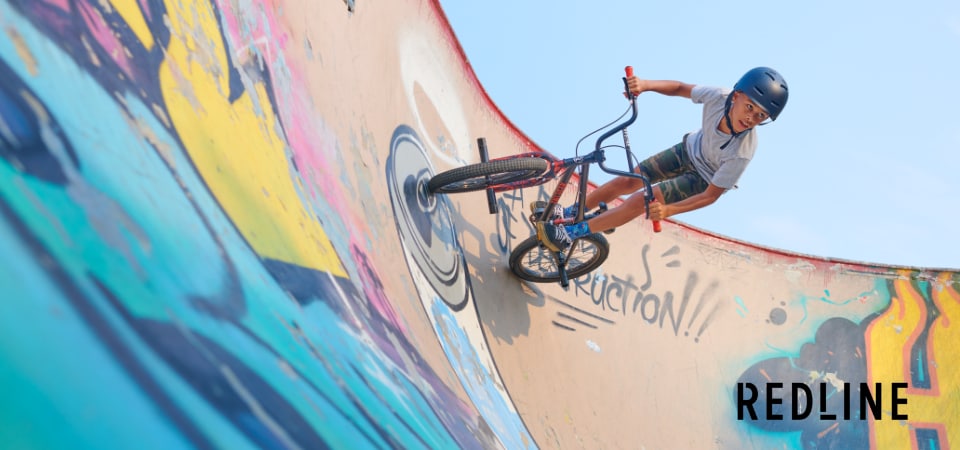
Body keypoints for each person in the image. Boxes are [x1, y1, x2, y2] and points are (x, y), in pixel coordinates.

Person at [536, 67, 789, 251]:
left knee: (639, 201)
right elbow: (680, 88)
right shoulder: (718, 96)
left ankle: (569, 233)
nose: (751, 118)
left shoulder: (742, 152)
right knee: (629, 180)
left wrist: (668, 210)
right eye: (749, 107)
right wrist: (645, 84)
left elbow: (710, 196)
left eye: (760, 116)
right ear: (736, 96)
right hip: (687, 150)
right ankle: (569, 213)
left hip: (702, 179)